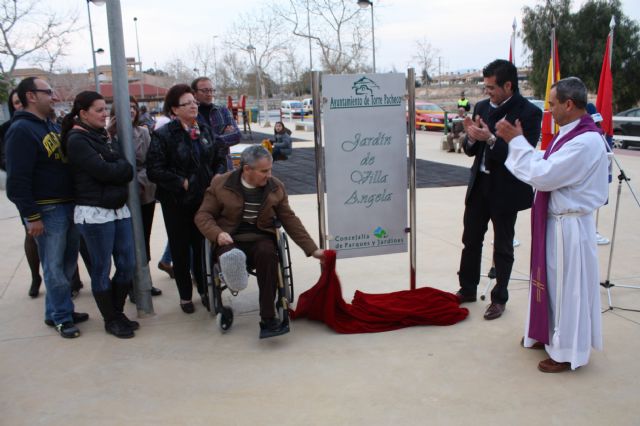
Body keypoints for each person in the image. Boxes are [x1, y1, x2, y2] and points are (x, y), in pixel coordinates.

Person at [496, 76, 610, 373]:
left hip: (569, 228)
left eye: (553, 103)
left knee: (567, 289)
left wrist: (516, 142)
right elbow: (545, 160)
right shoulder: (569, 133)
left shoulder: (586, 141)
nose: (549, 110)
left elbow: (545, 174)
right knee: (549, 283)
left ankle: (567, 350)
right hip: (555, 223)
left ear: (569, 104)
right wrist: (509, 141)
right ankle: (546, 333)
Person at [194, 145, 325, 339]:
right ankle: (234, 274)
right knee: (230, 254)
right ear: (247, 169)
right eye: (264, 171)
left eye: (270, 169)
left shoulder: (275, 187)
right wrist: (217, 234)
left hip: (261, 237)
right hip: (230, 238)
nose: (269, 175)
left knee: (268, 254)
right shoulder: (221, 184)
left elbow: (289, 219)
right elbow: (203, 215)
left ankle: (268, 316)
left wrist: (313, 250)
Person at [455, 59, 542, 320]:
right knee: (470, 239)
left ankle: (499, 298)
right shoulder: (482, 107)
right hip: (479, 185)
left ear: (508, 85)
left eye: (492, 87)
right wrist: (470, 136)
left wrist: (491, 139)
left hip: (505, 189)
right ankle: (467, 288)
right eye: (485, 86)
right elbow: (472, 150)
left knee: (503, 246)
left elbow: (522, 156)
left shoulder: (527, 113)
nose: (487, 92)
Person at [5, 77, 88, 338]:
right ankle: (62, 317)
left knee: (66, 265)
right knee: (53, 267)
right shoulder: (21, 130)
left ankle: (57, 311)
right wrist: (32, 216)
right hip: (48, 210)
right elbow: (17, 181)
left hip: (67, 205)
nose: (53, 97)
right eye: (48, 92)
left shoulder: (48, 125)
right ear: (31, 96)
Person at [61, 91, 138, 338]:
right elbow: (104, 170)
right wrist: (116, 166)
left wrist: (115, 165)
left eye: (106, 109)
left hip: (118, 209)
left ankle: (117, 311)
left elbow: (126, 167)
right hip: (94, 213)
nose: (106, 115)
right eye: (100, 110)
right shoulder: (77, 139)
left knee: (127, 263)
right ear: (83, 113)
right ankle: (111, 318)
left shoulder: (103, 136)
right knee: (101, 267)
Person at [147, 84, 224, 314]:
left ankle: (204, 290)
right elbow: (154, 170)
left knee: (202, 248)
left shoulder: (205, 130)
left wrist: (217, 174)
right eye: (187, 103)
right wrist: (181, 181)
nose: (193, 106)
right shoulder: (163, 135)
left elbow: (219, 154)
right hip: (177, 202)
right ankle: (185, 296)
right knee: (181, 250)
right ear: (174, 109)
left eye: (194, 102)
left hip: (204, 200)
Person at [107, 96, 162, 297]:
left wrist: (139, 180)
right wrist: (109, 135)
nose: (130, 110)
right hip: (120, 194)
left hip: (143, 192)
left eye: (133, 107)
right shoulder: (109, 135)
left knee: (143, 237)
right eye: (126, 107)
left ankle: (144, 281)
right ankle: (127, 282)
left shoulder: (144, 132)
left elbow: (151, 162)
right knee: (125, 241)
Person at [192, 77, 241, 171]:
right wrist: (224, 136)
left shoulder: (223, 111)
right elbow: (193, 141)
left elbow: (237, 136)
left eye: (211, 90)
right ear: (194, 93)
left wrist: (207, 142)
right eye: (205, 91)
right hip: (200, 169)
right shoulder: (191, 113)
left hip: (224, 168)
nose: (209, 94)